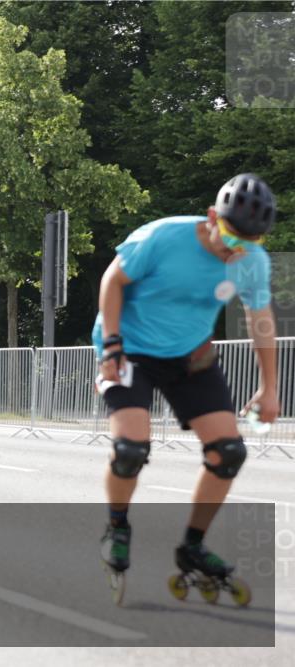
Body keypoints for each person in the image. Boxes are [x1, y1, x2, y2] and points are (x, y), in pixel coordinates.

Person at [94, 173, 276, 605]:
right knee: (131, 451)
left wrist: (270, 388)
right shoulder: (162, 237)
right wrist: (112, 347)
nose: (239, 250)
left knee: (228, 453)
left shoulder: (250, 259)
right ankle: (117, 527)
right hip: (131, 349)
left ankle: (192, 545)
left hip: (189, 355)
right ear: (212, 218)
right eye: (233, 237)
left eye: (251, 243)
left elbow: (260, 318)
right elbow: (112, 281)